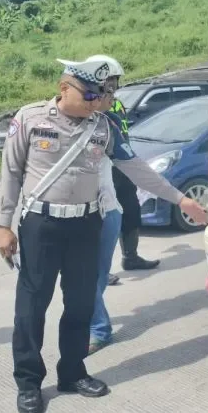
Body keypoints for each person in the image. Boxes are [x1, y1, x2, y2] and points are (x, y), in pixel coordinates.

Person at [0, 56, 208, 413]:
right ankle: (29, 381)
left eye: (103, 95)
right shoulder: (30, 119)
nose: (97, 102)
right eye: (91, 94)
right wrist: (3, 224)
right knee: (31, 307)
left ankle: (73, 372)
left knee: (80, 303)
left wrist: (181, 198)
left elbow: (137, 168)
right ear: (65, 88)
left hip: (85, 225)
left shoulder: (104, 127)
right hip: (41, 226)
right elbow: (11, 171)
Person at [88, 55, 162, 275]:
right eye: (108, 80)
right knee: (100, 219)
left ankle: (131, 256)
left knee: (130, 210)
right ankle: (98, 269)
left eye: (115, 80)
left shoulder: (117, 104)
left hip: (122, 167)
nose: (112, 85)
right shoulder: (90, 103)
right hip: (99, 170)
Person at [88, 83, 124, 354]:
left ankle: (99, 329)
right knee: (82, 279)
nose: (113, 97)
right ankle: (98, 326)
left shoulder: (109, 124)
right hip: (74, 215)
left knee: (95, 277)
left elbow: (131, 162)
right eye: (108, 92)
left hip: (108, 211)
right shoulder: (58, 124)